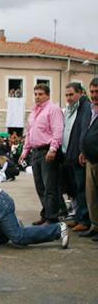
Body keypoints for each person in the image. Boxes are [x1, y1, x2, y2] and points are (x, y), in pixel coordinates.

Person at [19, 84, 64, 225]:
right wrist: (25, 151)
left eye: (40, 94)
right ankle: (46, 213)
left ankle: (52, 217)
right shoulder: (33, 113)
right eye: (36, 94)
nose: (37, 97)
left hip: (47, 151)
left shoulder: (53, 109)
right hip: (35, 152)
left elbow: (58, 131)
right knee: (40, 187)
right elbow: (29, 133)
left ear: (47, 95)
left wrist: (53, 149)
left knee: (49, 187)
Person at [61, 83, 91, 232]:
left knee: (81, 188)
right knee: (74, 188)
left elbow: (84, 130)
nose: (68, 98)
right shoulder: (69, 109)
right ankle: (79, 217)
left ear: (80, 93)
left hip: (78, 155)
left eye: (71, 94)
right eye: (66, 95)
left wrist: (82, 150)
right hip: (69, 155)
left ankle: (85, 220)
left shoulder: (85, 107)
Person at [79, 78, 98, 241]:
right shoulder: (91, 109)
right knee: (91, 195)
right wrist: (83, 150)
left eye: (97, 92)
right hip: (90, 159)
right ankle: (95, 225)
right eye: (92, 91)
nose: (94, 95)